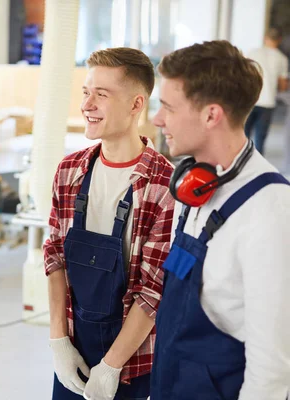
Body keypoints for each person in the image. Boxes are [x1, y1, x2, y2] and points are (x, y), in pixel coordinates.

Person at [151, 40, 290, 400]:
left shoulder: (269, 210)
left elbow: (271, 368)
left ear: (211, 115)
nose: (157, 119)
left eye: (167, 106)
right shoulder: (197, 184)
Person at [44, 47, 175, 400]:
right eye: (86, 92)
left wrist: (112, 365)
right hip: (73, 348)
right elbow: (54, 254)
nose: (87, 104)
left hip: (132, 364)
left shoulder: (164, 186)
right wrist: (59, 342)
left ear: (136, 105)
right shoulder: (70, 171)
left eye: (101, 95)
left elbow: (154, 289)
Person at [245, 27, 289, 155]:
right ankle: (257, 166)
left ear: (265, 38)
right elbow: (282, 85)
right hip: (268, 103)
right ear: (279, 40)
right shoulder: (282, 58)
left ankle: (241, 163)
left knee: (243, 135)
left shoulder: (253, 53)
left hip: (250, 100)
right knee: (260, 138)